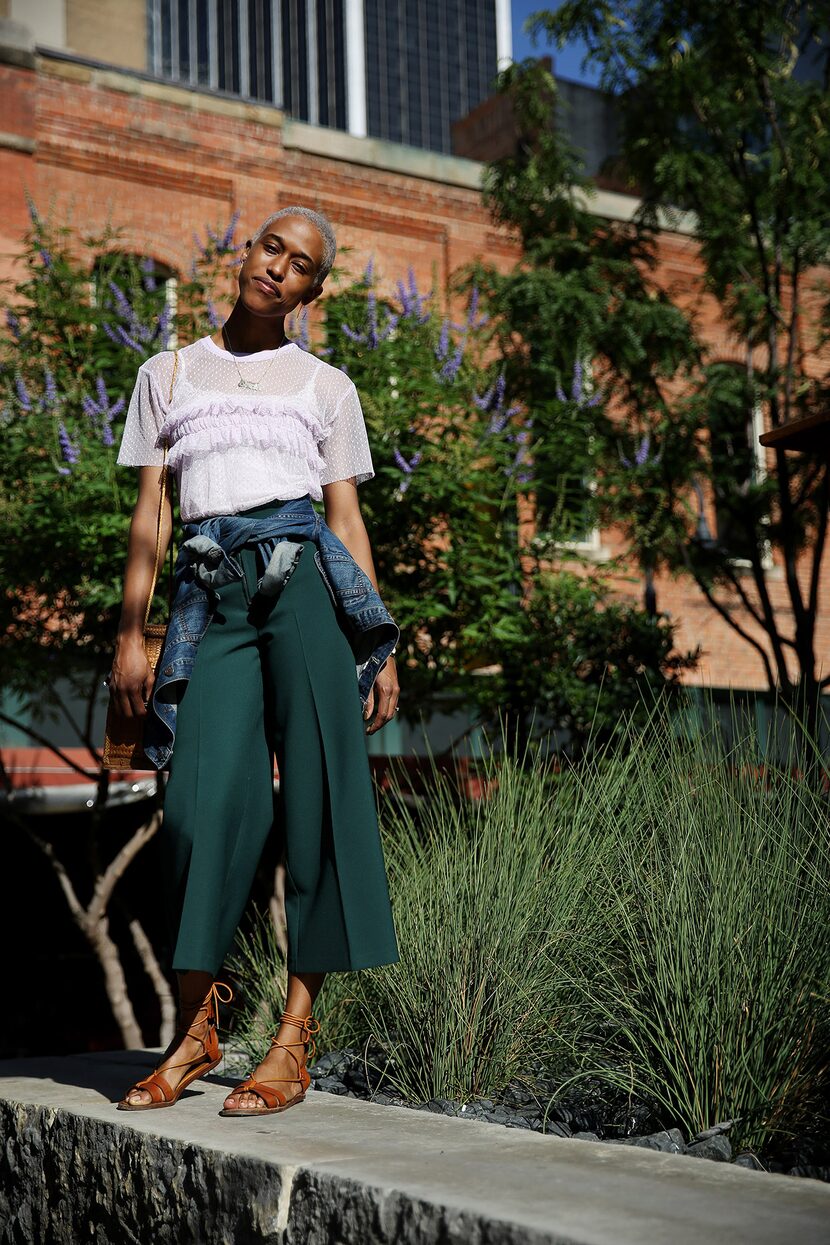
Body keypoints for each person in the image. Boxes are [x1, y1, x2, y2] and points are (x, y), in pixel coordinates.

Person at [108, 205, 401, 1117]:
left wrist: (378, 640)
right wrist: (129, 630)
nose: (279, 267)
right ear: (248, 251)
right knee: (194, 803)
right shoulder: (168, 373)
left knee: (318, 798)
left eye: (301, 263)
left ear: (314, 290)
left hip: (307, 586)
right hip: (209, 597)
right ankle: (197, 1028)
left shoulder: (326, 387)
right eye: (272, 246)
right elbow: (153, 512)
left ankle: (293, 1036)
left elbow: (346, 519)